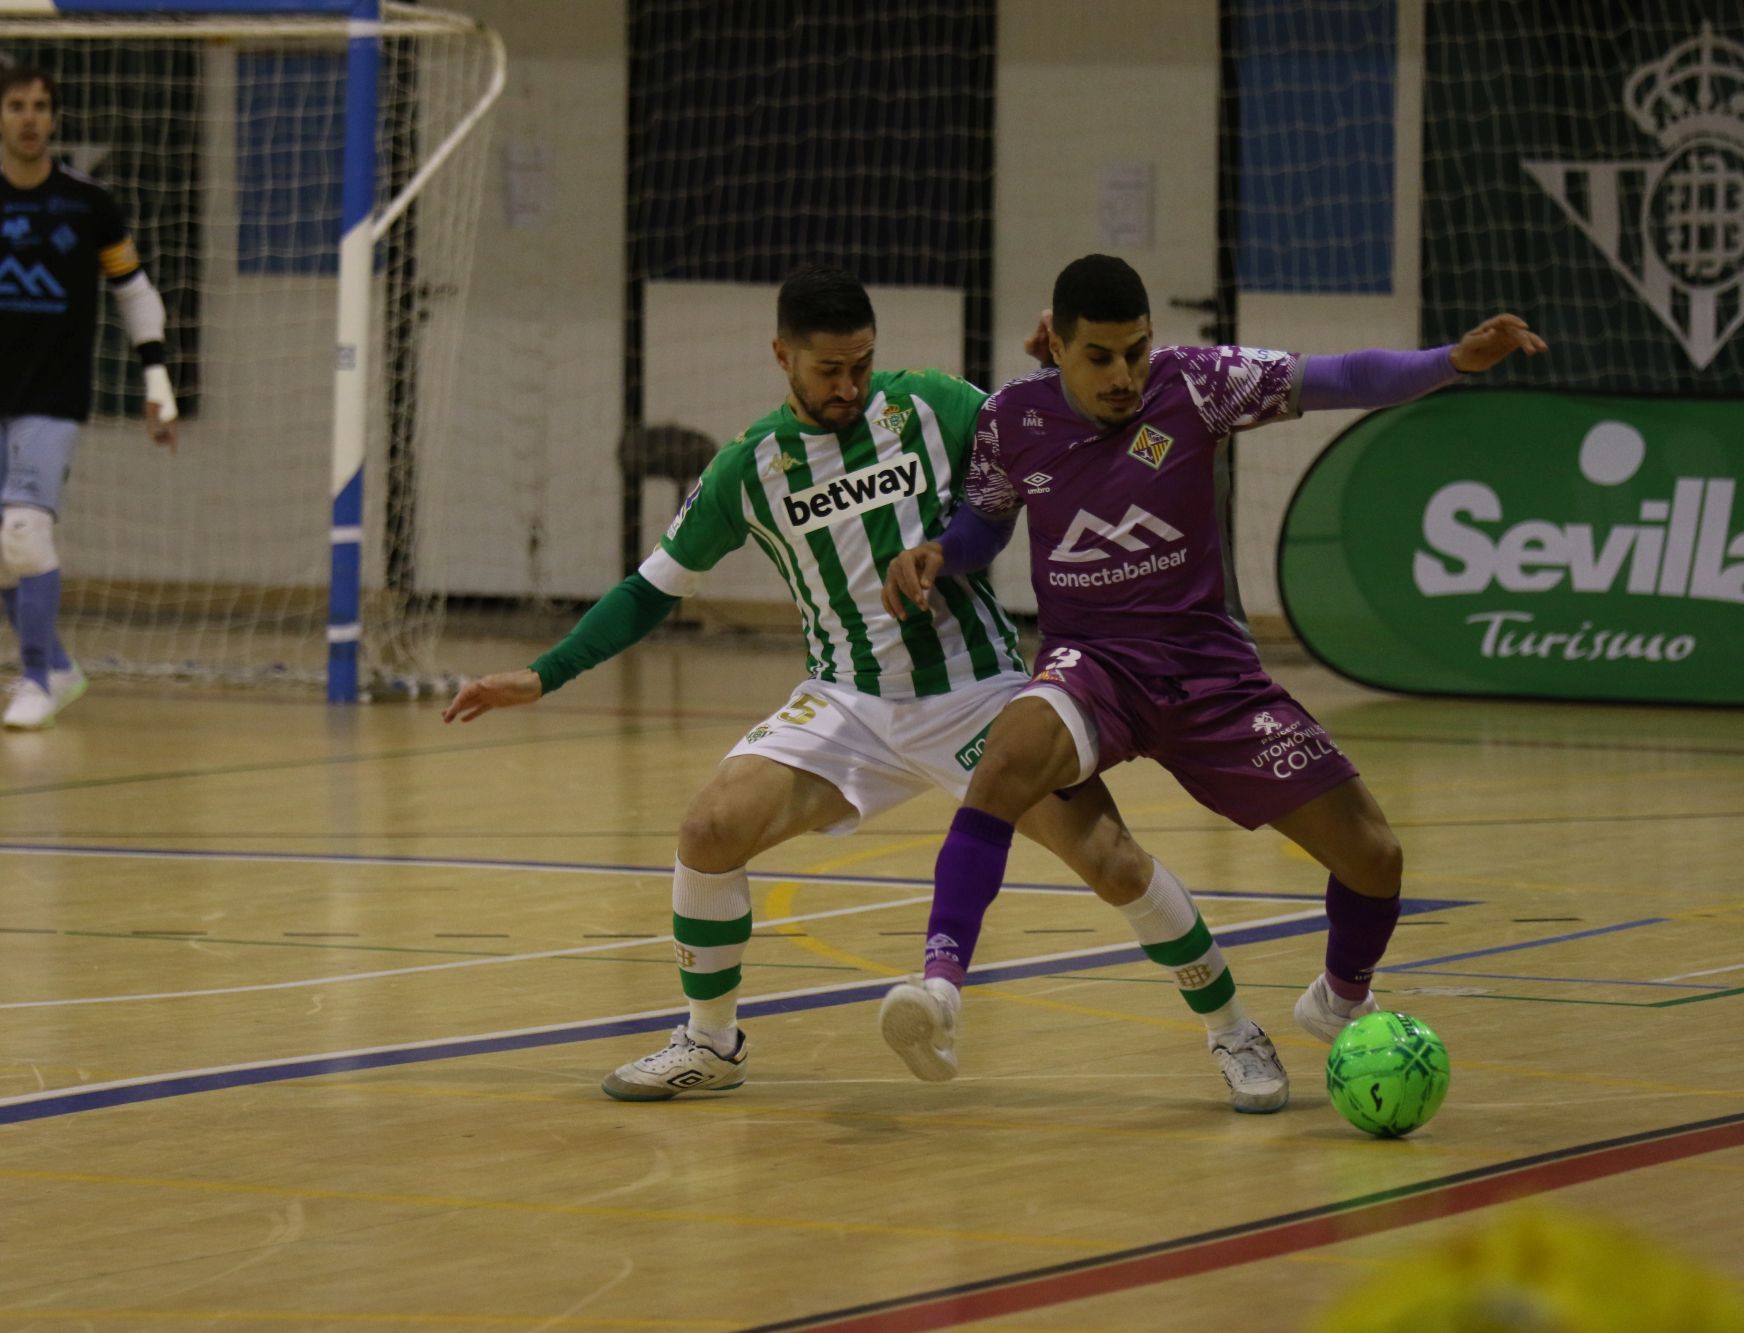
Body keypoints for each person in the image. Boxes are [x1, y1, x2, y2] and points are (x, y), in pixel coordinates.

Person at [442, 264, 1293, 1112]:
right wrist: (543, 673)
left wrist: (1052, 364)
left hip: (976, 689)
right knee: (709, 827)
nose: (849, 386)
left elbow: (1041, 425)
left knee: (1111, 860)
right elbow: (653, 588)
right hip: (846, 700)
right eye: (828, 371)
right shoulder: (751, 467)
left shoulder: (930, 404)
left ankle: (1233, 1030)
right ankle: (710, 1042)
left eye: (860, 365)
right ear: (782, 356)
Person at [877, 254, 1545, 1080]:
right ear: (1056, 345)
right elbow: (986, 519)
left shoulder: (1199, 384)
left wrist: (1449, 362)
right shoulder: (1012, 419)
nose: (1124, 374)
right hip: (1095, 666)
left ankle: (1339, 998)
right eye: (1101, 357)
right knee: (1007, 756)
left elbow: (1336, 375)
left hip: (1207, 672)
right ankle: (938, 991)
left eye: (1138, 350)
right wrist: (942, 551)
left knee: (1376, 857)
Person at [1, 66, 179, 730]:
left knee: (23, 532)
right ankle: (61, 666)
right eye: (16, 105)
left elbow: (134, 291)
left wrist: (157, 381)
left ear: (55, 119)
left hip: (52, 395)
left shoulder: (89, 202)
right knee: (2, 550)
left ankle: (40, 674)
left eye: (40, 106)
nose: (28, 117)